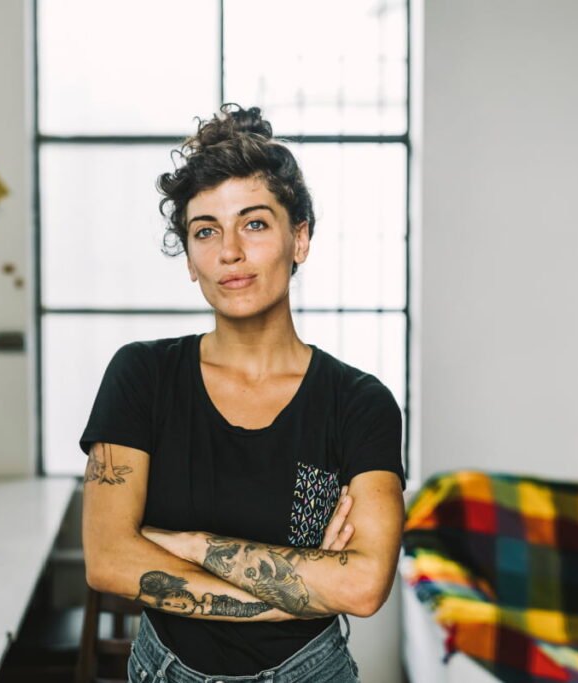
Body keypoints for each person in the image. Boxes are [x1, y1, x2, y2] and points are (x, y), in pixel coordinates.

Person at [80, 103, 406, 683]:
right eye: (206, 231)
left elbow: (362, 584)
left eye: (254, 224)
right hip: (165, 671)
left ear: (299, 238)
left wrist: (185, 543)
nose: (229, 251)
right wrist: (295, 591)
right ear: (190, 258)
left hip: (311, 671)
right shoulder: (141, 376)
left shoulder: (359, 403)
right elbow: (108, 560)